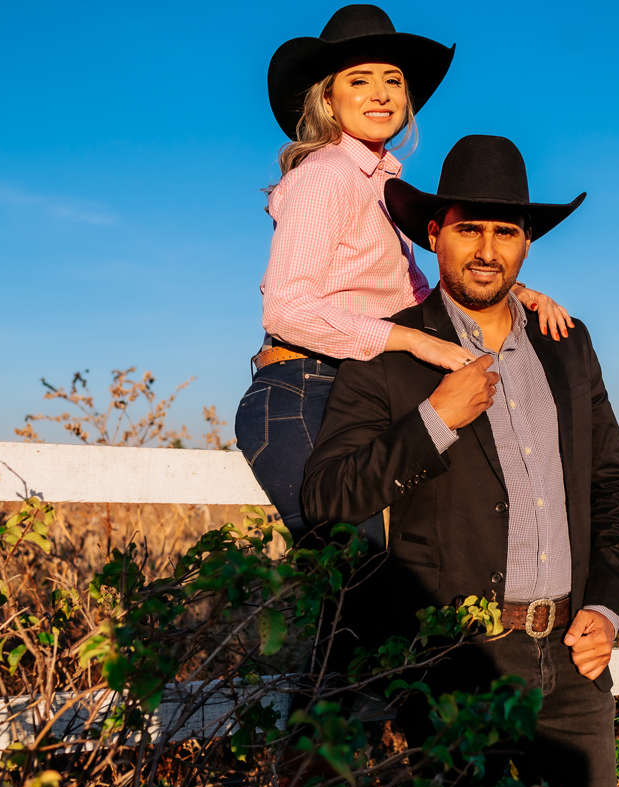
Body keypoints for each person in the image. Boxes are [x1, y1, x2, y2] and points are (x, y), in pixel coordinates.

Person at [301, 135, 619, 787]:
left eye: (505, 232)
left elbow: (613, 484)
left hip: (576, 662)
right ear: (435, 234)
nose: (487, 250)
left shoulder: (567, 343)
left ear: (527, 243)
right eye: (469, 230)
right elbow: (326, 495)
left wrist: (606, 607)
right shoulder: (389, 353)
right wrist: (434, 421)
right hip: (457, 665)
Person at [236, 5, 574, 536]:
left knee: (371, 583)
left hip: (346, 389)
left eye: (393, 81)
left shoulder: (379, 187)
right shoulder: (326, 175)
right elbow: (287, 310)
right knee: (349, 578)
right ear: (329, 98)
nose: (381, 94)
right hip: (303, 390)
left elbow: (420, 295)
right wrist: (417, 343)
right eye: (360, 80)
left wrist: (516, 291)